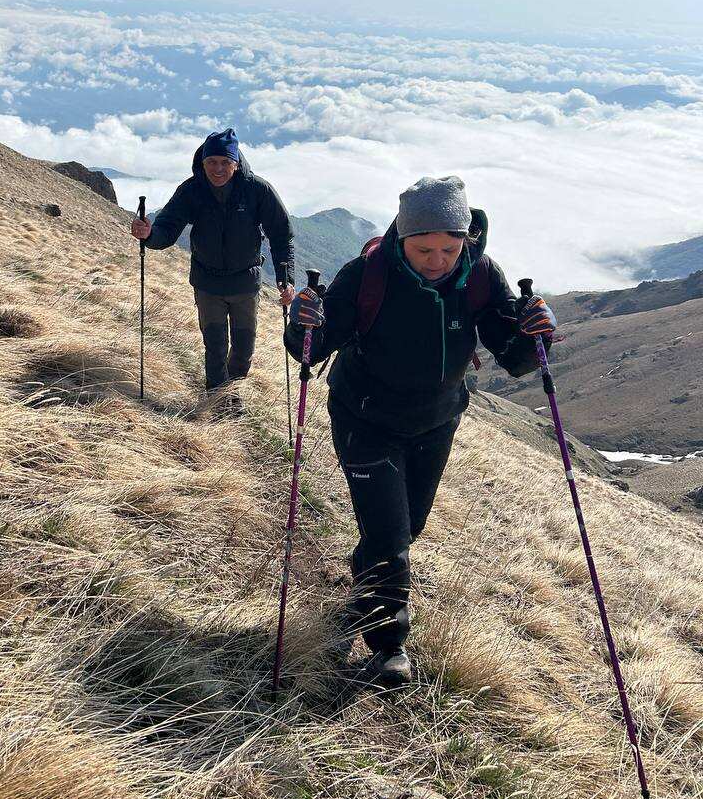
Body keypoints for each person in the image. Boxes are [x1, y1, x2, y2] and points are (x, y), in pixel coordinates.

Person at [285, 175, 557, 688]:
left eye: (449, 249)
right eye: (423, 249)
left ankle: (363, 590)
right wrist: (302, 324)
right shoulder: (367, 274)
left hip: (436, 420)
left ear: (466, 239)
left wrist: (533, 334)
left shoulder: (480, 274)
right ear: (401, 237)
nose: (437, 260)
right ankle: (388, 646)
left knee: (406, 526)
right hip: (364, 417)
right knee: (391, 537)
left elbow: (515, 357)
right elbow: (313, 347)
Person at [131, 128, 295, 414]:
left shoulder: (257, 190)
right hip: (207, 284)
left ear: (236, 163)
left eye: (224, 162)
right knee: (215, 346)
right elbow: (167, 228)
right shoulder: (192, 190)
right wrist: (149, 235)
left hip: (245, 283)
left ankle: (233, 391)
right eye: (211, 162)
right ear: (203, 162)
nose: (218, 169)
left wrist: (286, 279)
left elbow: (282, 235)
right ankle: (219, 402)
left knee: (243, 348)